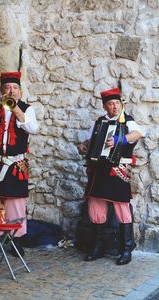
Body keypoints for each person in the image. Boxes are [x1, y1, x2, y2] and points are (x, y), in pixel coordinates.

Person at [0, 71, 39, 257]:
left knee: (15, 203)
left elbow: (33, 129)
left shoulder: (27, 109)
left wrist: (15, 109)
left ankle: (15, 240)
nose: (11, 91)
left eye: (14, 88)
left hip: (15, 164)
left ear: (19, 92)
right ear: (1, 90)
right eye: (7, 88)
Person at [78, 87, 143, 265]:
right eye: (110, 104)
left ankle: (126, 249)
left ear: (121, 104)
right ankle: (97, 247)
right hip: (99, 170)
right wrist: (83, 145)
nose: (114, 107)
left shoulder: (128, 121)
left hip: (118, 170)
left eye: (117, 103)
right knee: (96, 206)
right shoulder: (99, 122)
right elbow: (90, 140)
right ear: (104, 106)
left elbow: (138, 134)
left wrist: (118, 140)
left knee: (122, 207)